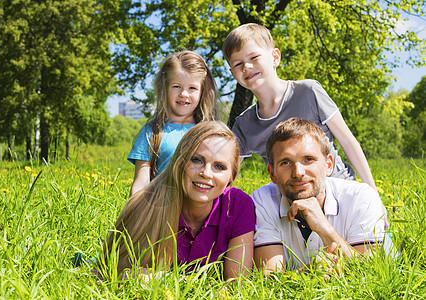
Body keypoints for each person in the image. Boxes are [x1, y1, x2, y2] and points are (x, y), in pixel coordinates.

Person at [222, 23, 377, 191]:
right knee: (262, 197)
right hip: (294, 195)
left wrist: (372, 193)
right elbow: (227, 170)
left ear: (275, 57)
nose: (247, 67)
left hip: (336, 187)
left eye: (254, 57)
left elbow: (347, 141)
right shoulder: (245, 124)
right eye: (238, 64)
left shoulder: (308, 92)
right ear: (232, 73)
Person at [102, 121, 255, 280]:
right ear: (180, 161)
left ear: (232, 176)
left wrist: (161, 278)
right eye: (197, 160)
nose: (206, 173)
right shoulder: (147, 202)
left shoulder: (239, 205)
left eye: (220, 167)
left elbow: (237, 283)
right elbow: (115, 273)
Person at [252, 118, 386, 274]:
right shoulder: (263, 200)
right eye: (286, 163)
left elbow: (372, 274)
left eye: (308, 159)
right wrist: (308, 273)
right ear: (272, 173)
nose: (298, 172)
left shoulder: (361, 197)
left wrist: (324, 228)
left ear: (329, 165)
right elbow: (268, 278)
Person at [128, 50, 218, 196]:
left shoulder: (209, 133)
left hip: (199, 213)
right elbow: (140, 183)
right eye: (177, 86)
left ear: (203, 92)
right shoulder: (152, 132)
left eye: (192, 88)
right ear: (165, 88)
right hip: (161, 210)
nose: (184, 94)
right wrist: (134, 214)